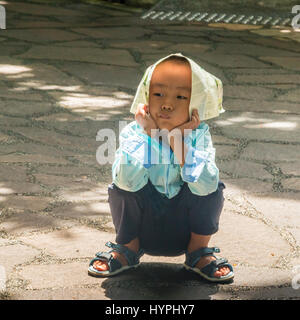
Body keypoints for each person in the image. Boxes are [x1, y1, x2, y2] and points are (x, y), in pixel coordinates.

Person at [88, 53, 234, 282]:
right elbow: (125, 181)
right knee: (121, 188)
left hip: (184, 230)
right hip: (142, 228)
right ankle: (127, 249)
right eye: (158, 94)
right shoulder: (135, 133)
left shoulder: (200, 136)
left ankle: (198, 253)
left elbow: (206, 184)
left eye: (180, 97)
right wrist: (151, 135)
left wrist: (177, 140)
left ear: (195, 105)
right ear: (146, 98)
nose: (167, 103)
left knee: (212, 187)